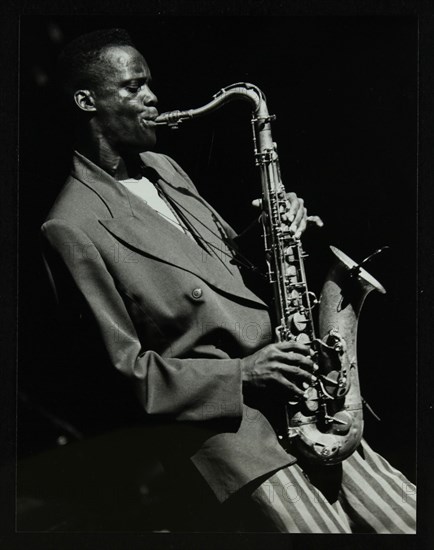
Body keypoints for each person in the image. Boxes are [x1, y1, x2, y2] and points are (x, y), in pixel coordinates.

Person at [41, 28, 416, 533]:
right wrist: (243, 374)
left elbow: (221, 269)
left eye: (149, 84)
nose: (152, 97)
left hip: (304, 397)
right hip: (233, 435)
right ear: (87, 101)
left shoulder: (164, 169)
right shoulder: (70, 225)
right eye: (133, 87)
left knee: (407, 519)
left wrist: (273, 232)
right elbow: (119, 376)